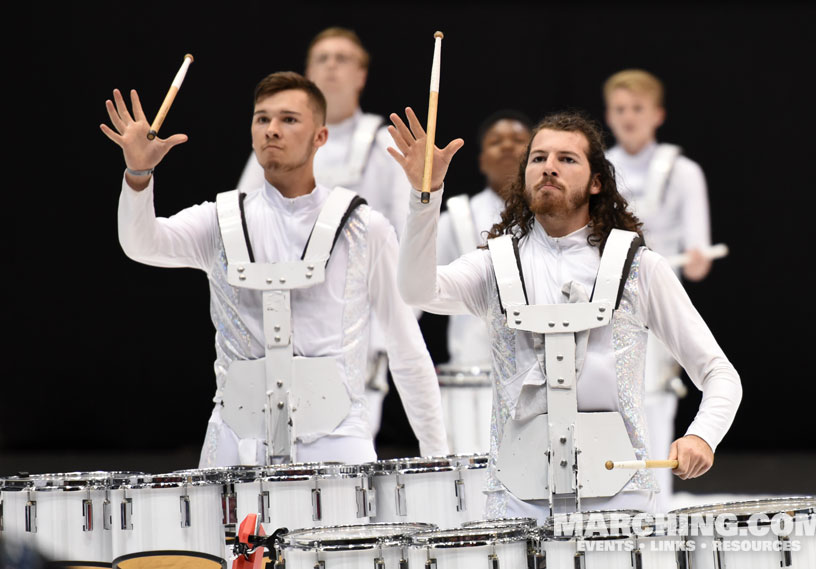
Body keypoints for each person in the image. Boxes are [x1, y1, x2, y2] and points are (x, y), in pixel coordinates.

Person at [388, 107, 742, 520]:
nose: (549, 168)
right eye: (538, 158)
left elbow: (720, 373)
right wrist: (424, 196)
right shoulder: (495, 265)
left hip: (620, 501)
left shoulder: (639, 267)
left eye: (566, 159)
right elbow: (416, 290)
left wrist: (702, 435)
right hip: (515, 503)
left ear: (596, 182)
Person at [101, 71, 448, 467]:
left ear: (320, 137)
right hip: (234, 444)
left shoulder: (365, 228)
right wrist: (138, 176)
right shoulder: (220, 220)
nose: (272, 130)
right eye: (262, 119)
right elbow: (141, 244)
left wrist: (438, 459)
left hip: (337, 445)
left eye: (289, 119)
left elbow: (407, 349)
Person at [237, 28, 412, 439]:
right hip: (277, 319)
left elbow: (406, 237)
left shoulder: (385, 142)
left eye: (343, 58)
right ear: (307, 72)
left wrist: (389, 330)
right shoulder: (272, 142)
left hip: (356, 321)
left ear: (362, 75)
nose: (331, 66)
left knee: (341, 445)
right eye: (322, 58)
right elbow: (240, 228)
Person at [604, 69, 714, 510]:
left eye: (637, 109)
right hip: (611, 303)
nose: (628, 118)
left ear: (658, 114)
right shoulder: (600, 170)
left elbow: (698, 248)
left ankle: (657, 507)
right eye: (619, 109)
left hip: (662, 302)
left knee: (654, 402)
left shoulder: (684, 171)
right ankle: (617, 504)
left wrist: (698, 257)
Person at [436, 110, 532, 369]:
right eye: (495, 141)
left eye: (518, 139)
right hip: (473, 366)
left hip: (540, 364)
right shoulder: (456, 217)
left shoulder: (555, 215)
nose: (508, 146)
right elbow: (424, 287)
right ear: (481, 161)